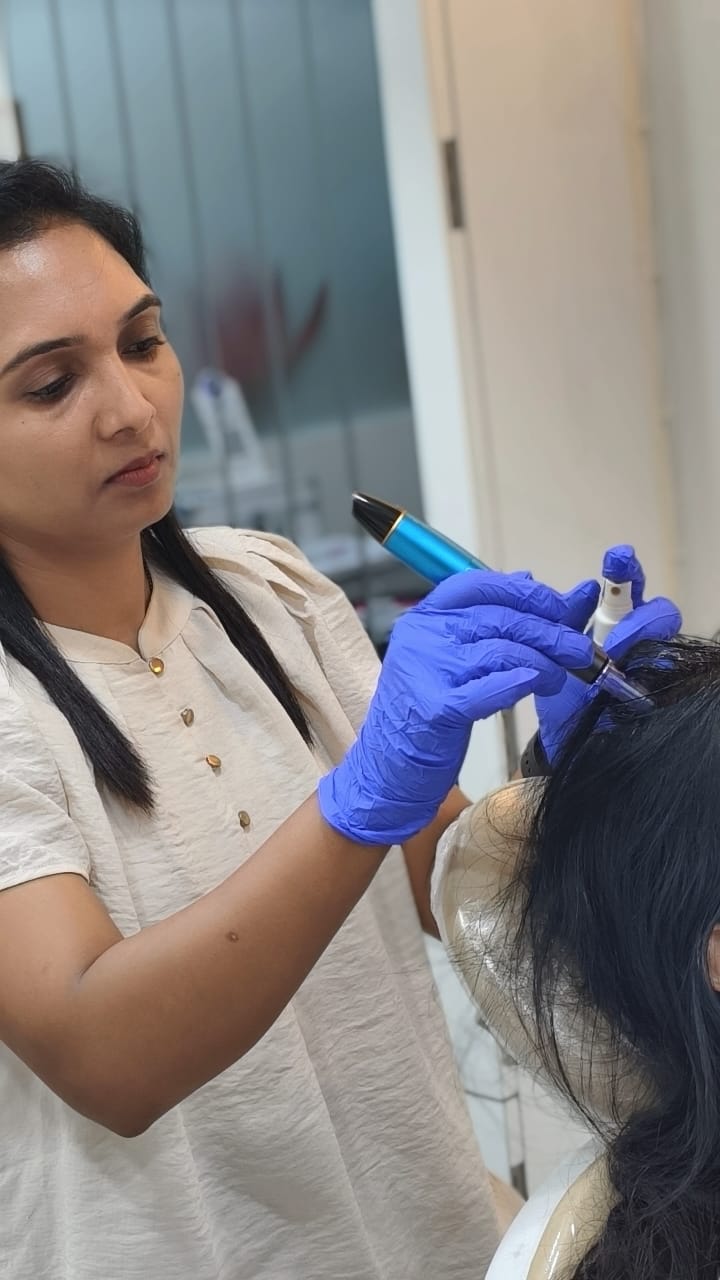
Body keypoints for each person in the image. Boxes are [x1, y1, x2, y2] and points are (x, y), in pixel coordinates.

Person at [0, 157, 650, 1280]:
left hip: (428, 1233)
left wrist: (575, 775)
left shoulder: (271, 592)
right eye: (51, 385)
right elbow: (105, 1054)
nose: (133, 409)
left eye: (143, 342)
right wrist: (355, 804)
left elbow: (452, 888)